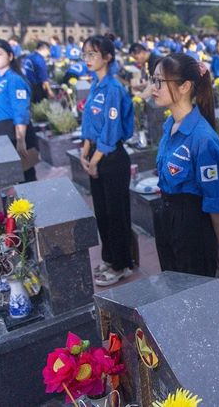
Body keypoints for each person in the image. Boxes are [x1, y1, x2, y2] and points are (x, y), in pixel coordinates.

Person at [151, 53, 219, 277]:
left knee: (195, 297)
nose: (153, 87)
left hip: (191, 226)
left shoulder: (202, 138)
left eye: (160, 81)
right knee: (172, 289)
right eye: (153, 79)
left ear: (185, 86)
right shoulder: (171, 125)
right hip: (167, 217)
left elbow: (215, 199)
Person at [79, 35, 135, 287]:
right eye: (85, 54)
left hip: (112, 159)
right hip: (96, 156)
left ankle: (122, 264)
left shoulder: (113, 88)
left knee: (117, 214)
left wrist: (95, 159)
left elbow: (111, 130)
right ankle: (110, 258)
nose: (87, 59)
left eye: (93, 54)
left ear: (107, 57)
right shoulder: (96, 85)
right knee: (102, 213)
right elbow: (90, 123)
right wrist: (85, 150)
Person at [0, 39, 39, 181]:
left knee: (24, 174)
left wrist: (21, 140)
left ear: (10, 56)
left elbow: (21, 111)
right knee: (10, 174)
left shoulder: (15, 79)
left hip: (14, 131)